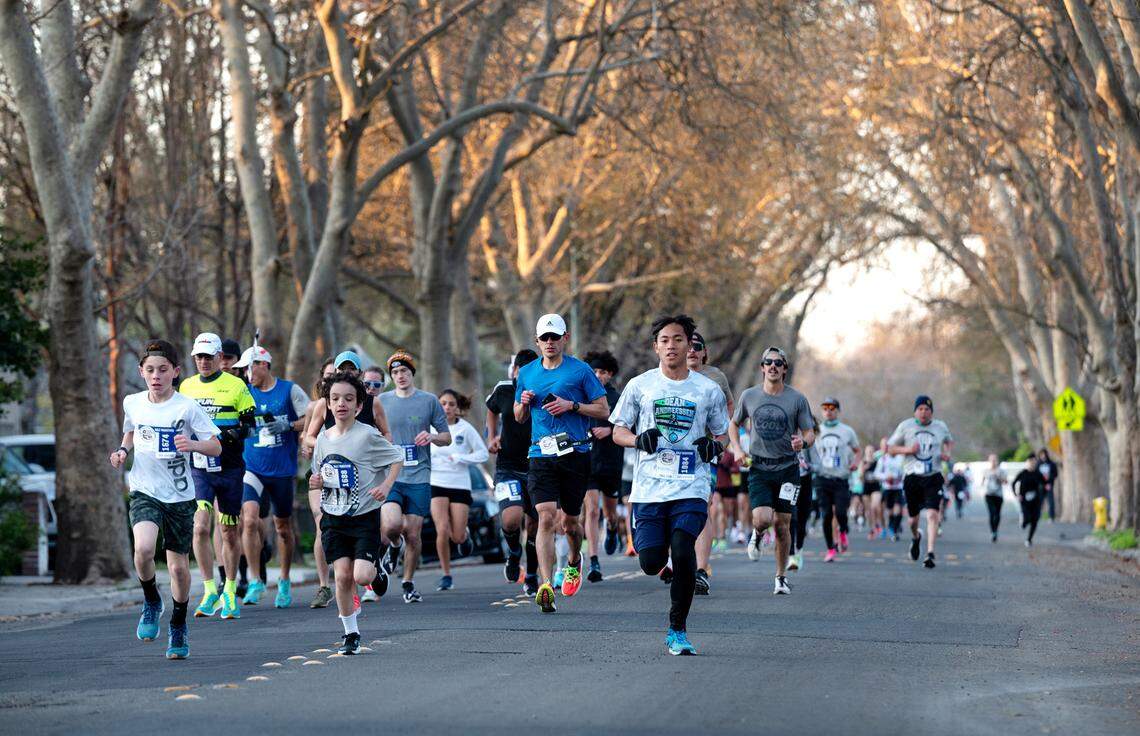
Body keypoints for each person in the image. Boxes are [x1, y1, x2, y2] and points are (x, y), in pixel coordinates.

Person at [610, 314, 729, 655]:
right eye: (664, 340)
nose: (671, 346)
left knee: (683, 550)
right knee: (650, 562)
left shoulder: (707, 390)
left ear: (689, 345)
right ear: (655, 347)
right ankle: (659, 563)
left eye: (678, 339)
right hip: (649, 488)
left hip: (691, 485)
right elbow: (617, 431)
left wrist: (714, 446)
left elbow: (723, 434)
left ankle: (678, 629)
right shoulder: (640, 386)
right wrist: (637, 440)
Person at [111, 339, 221, 659]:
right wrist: (122, 451)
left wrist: (193, 445)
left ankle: (177, 623)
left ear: (175, 372)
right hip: (145, 489)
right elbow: (131, 432)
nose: (156, 376)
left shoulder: (187, 407)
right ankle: (151, 600)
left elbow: (215, 446)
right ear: (141, 372)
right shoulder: (133, 402)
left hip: (181, 495)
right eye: (150, 370)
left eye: (162, 370)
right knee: (143, 549)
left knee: (178, 570)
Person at [513, 313, 610, 613]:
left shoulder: (580, 371)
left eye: (555, 337)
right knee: (544, 518)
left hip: (575, 453)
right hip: (540, 454)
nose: (550, 342)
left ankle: (573, 560)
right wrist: (524, 403)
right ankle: (546, 584)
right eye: (545, 338)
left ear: (565, 338)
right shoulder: (527, 373)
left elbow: (604, 410)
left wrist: (573, 406)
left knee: (569, 522)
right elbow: (519, 416)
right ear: (537, 341)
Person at [309, 372, 403, 654]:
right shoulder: (323, 439)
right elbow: (320, 474)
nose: (341, 404)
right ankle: (351, 633)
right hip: (334, 518)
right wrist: (316, 484)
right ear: (327, 403)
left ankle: (377, 573)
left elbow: (396, 457)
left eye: (349, 399)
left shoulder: (368, 436)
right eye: (335, 398)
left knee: (361, 576)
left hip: (363, 517)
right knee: (342, 577)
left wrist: (385, 486)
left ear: (358, 406)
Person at [302, 350, 393, 604]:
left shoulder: (370, 402)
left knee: (365, 542)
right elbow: (309, 437)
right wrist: (332, 442)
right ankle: (326, 585)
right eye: (343, 368)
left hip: (362, 474)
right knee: (323, 517)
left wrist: (370, 453)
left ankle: (368, 569)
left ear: (359, 373)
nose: (347, 372)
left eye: (353, 369)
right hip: (327, 470)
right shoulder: (326, 403)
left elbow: (387, 437)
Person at [179, 332, 256, 619]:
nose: (203, 361)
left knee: (228, 530)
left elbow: (250, 424)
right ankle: (210, 588)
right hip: (199, 468)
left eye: (209, 356)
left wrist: (230, 435)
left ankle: (231, 589)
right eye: (198, 357)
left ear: (219, 357)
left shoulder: (236, 385)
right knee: (199, 526)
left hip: (230, 467)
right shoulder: (185, 387)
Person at [727, 346, 814, 595]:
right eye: (768, 362)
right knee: (763, 519)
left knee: (783, 525)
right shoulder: (750, 396)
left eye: (778, 363)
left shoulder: (797, 399)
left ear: (785, 368)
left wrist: (803, 442)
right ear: (762, 368)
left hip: (788, 469)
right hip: (760, 468)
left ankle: (781, 577)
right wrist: (737, 449)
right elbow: (733, 425)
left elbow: (810, 432)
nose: (773, 366)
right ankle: (756, 534)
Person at [234, 345, 310, 608]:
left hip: (282, 470)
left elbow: (311, 417)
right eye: (242, 369)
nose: (246, 373)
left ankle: (285, 580)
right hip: (252, 466)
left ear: (263, 365)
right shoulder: (244, 392)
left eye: (249, 367)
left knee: (283, 529)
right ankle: (255, 580)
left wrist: (288, 425)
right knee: (250, 520)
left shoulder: (290, 390)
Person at [378, 350, 452, 603]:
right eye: (395, 372)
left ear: (412, 374)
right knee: (390, 526)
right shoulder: (382, 401)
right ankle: (393, 547)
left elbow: (446, 437)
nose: (400, 376)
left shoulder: (429, 400)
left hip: (419, 475)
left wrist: (431, 436)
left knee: (413, 533)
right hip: (391, 476)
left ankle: (408, 582)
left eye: (404, 372)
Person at [486, 349, 540, 593]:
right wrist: (492, 436)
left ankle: (531, 575)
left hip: (538, 465)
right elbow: (491, 408)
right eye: (522, 371)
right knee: (511, 518)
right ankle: (514, 553)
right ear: (515, 371)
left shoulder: (545, 389)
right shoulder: (504, 389)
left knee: (536, 525)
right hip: (507, 465)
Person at [686, 332, 735, 596]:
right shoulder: (669, 376)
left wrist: (721, 437)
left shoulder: (716, 377)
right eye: (688, 345)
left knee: (703, 505)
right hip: (675, 453)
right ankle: (680, 560)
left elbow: (729, 404)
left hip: (705, 453)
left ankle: (701, 570)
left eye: (697, 347)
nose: (692, 351)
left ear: (704, 352)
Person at [430, 389, 489, 590]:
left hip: (459, 484)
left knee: (456, 536)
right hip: (436, 482)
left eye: (451, 404)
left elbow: (483, 454)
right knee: (442, 529)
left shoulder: (465, 429)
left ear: (457, 407)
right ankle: (446, 574)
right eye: (443, 403)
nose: (447, 407)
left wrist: (461, 458)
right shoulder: (430, 428)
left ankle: (464, 535)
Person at [887, 395, 954, 569]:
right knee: (912, 521)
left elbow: (949, 441)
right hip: (912, 477)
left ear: (932, 412)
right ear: (915, 411)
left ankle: (930, 553)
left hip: (933, 476)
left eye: (927, 409)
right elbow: (890, 448)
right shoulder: (905, 426)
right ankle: (916, 537)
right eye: (920, 409)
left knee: (932, 515)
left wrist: (947, 453)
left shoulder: (940, 426)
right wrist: (908, 449)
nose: (923, 412)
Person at [583, 350, 624, 583]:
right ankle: (593, 560)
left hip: (611, 460)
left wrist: (609, 430)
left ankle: (611, 526)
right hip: (587, 459)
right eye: (594, 371)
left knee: (609, 511)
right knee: (591, 510)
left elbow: (628, 425)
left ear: (610, 374)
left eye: (603, 372)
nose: (598, 375)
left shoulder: (617, 398)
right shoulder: (582, 395)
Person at [813, 398, 860, 562]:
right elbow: (808, 447)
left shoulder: (847, 431)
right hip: (821, 478)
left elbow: (857, 451)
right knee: (826, 515)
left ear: (837, 411)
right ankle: (831, 548)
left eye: (832, 408)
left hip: (840, 478)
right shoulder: (816, 430)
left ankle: (842, 531)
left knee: (840, 512)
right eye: (825, 408)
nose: (828, 411)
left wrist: (855, 463)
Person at [305, 358, 336, 608]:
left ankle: (358, 580)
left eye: (336, 375)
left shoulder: (360, 406)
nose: (331, 380)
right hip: (320, 475)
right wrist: (312, 446)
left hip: (350, 477)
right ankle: (324, 586)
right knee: (321, 525)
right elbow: (307, 438)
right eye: (327, 376)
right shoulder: (318, 407)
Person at [787, 420, 818, 571]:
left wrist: (808, 465)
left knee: (802, 519)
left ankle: (799, 548)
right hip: (789, 482)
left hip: (805, 482)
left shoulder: (808, 441)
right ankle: (791, 554)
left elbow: (818, 464)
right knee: (791, 518)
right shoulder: (785, 438)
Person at [876, 437, 906, 541]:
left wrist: (900, 477)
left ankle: (894, 528)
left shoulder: (901, 459)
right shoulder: (883, 459)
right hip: (887, 488)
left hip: (898, 487)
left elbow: (905, 471)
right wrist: (886, 477)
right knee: (890, 511)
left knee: (899, 510)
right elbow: (877, 474)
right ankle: (891, 527)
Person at [1014, 456, 1047, 547]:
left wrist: (1043, 496)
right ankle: (1024, 522)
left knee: (1035, 520)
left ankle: (1029, 539)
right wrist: (1017, 494)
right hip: (1024, 500)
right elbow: (1014, 483)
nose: (1033, 464)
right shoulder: (1023, 473)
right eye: (1031, 462)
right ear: (1028, 463)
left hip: (1036, 501)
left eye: (1034, 462)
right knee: (1027, 517)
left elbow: (1045, 485)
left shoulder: (1038, 474)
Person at [982, 455, 1007, 541]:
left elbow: (1005, 482)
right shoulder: (986, 471)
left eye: (995, 460)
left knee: (997, 514)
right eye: (991, 460)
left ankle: (996, 530)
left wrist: (998, 477)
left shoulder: (1001, 471)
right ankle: (993, 531)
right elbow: (982, 482)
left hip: (998, 495)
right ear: (989, 461)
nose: (993, 462)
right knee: (992, 513)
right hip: (989, 495)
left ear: (997, 461)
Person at [863, 445, 884, 539]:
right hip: (866, 486)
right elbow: (859, 475)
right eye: (868, 451)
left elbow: (882, 472)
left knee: (874, 506)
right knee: (868, 510)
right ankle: (872, 528)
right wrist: (863, 468)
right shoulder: (863, 462)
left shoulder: (877, 462)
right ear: (866, 452)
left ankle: (877, 524)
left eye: (871, 451)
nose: (870, 452)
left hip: (875, 486)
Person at [1036, 449, 1057, 521]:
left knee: (1051, 501)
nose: (1043, 456)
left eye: (1044, 454)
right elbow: (1036, 475)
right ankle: (1037, 516)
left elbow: (1055, 474)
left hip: (1049, 485)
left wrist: (1049, 480)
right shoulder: (1038, 464)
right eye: (1041, 455)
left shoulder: (1051, 464)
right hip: (1041, 486)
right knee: (1039, 502)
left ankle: (1051, 517)